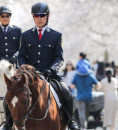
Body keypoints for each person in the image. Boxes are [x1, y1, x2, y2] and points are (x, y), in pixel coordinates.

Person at [18, 2, 80, 130]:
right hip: (30, 76)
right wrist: (24, 69)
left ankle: (71, 120)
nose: (39, 18)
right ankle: (8, 123)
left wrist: (51, 70)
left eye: (42, 15)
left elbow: (59, 58)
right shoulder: (25, 35)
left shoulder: (56, 35)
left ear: (48, 16)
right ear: (33, 17)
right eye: (36, 15)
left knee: (66, 92)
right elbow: (21, 56)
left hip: (50, 75)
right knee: (13, 92)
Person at [71, 52, 99, 130]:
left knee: (81, 112)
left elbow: (72, 86)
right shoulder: (91, 75)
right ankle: (85, 125)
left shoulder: (76, 75)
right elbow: (97, 85)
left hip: (80, 97)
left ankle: (84, 127)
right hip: (89, 97)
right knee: (86, 112)